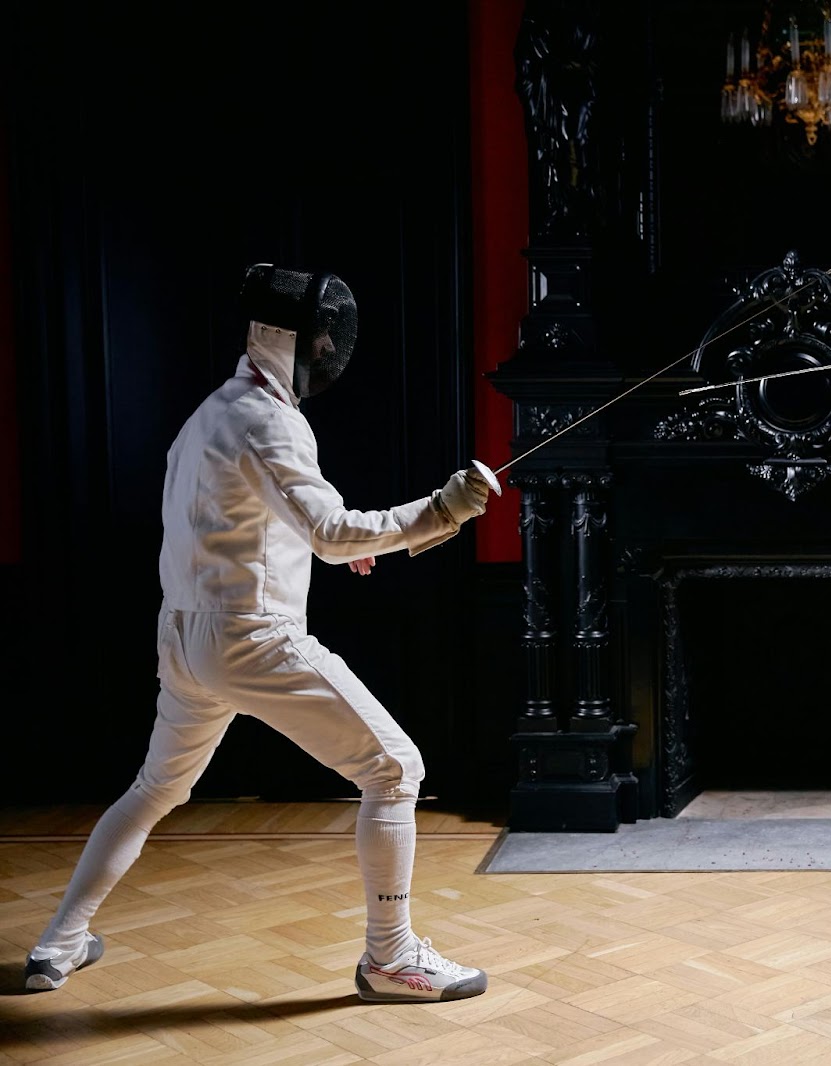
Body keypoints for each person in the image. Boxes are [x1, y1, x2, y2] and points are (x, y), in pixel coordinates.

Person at [24, 264, 497, 1003]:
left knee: (153, 788)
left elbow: (234, 521)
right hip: (250, 638)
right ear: (298, 342)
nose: (331, 348)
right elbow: (333, 533)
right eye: (323, 337)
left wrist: (355, 543)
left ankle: (57, 943)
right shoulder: (270, 420)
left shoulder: (212, 413)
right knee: (395, 769)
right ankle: (390, 957)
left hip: (184, 640)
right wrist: (443, 509)